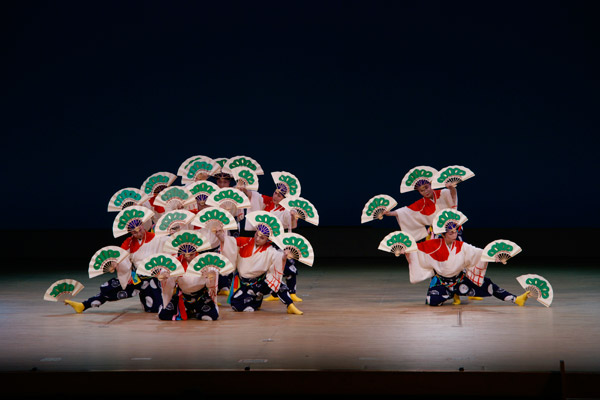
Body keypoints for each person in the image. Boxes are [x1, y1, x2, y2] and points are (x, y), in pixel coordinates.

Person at [399, 212, 529, 307]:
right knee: (432, 301)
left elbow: (479, 253)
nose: (454, 234)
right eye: (450, 233)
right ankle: (451, 294)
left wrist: (494, 257)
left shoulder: (462, 246)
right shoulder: (433, 245)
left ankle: (516, 299)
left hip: (460, 279)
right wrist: (406, 250)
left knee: (488, 285)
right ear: (443, 234)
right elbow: (415, 248)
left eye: (455, 231)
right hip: (442, 281)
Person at [65, 224, 167, 313]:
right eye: (134, 231)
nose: (137, 232)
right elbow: (121, 257)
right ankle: (83, 305)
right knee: (111, 289)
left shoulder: (157, 238)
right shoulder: (129, 242)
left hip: (155, 278)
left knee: (154, 309)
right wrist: (115, 264)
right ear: (130, 232)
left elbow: (169, 251)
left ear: (142, 226)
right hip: (137, 277)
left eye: (139, 229)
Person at [217, 222, 303, 315]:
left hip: (261, 282)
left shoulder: (270, 249)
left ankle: (290, 305)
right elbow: (230, 242)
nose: (257, 239)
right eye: (256, 235)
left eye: (262, 238)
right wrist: (220, 235)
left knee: (277, 283)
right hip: (246, 284)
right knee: (236, 304)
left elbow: (278, 257)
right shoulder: (244, 242)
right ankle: (256, 301)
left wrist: (284, 256)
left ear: (268, 239)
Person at [239, 183, 303, 302]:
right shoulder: (268, 202)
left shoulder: (287, 209)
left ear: (285, 198)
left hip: (281, 240)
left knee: (288, 264)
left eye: (279, 195)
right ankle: (274, 293)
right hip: (268, 240)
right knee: (271, 266)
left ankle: (292, 292)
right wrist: (245, 190)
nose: (275, 196)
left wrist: (293, 216)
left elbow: (292, 225)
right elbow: (254, 196)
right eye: (275, 193)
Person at [385, 172, 458, 243]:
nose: (425, 191)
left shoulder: (443, 193)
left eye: (426, 187)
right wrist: (390, 213)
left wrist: (451, 187)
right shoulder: (421, 204)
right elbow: (405, 211)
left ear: (431, 184)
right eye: (422, 190)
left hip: (453, 227)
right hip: (436, 231)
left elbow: (453, 195)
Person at [158, 249, 220, 321]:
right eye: (185, 254)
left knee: (212, 315)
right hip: (183, 297)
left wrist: (210, 276)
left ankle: (193, 312)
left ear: (196, 251)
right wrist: (165, 276)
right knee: (164, 314)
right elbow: (168, 282)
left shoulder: (205, 262)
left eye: (191, 254)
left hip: (201, 297)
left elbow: (211, 284)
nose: (188, 257)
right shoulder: (176, 262)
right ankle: (191, 312)